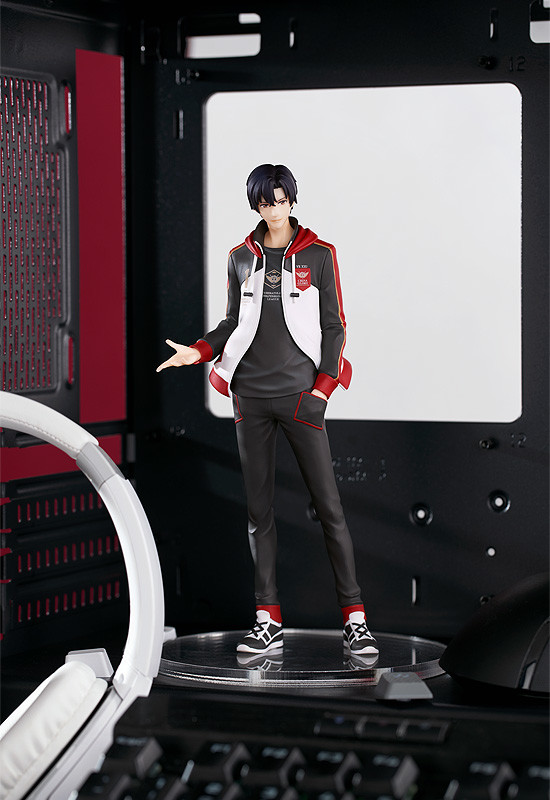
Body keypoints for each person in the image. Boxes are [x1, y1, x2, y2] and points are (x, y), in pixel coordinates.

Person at [157, 164, 378, 657]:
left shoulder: (320, 254)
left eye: (280, 200)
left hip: (302, 397)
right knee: (259, 513)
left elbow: (335, 326)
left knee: (330, 508)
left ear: (292, 201)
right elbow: (232, 322)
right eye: (264, 202)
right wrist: (198, 351)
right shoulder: (240, 257)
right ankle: (267, 619)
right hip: (250, 397)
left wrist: (322, 390)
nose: (273, 209)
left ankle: (355, 618)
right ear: (255, 205)